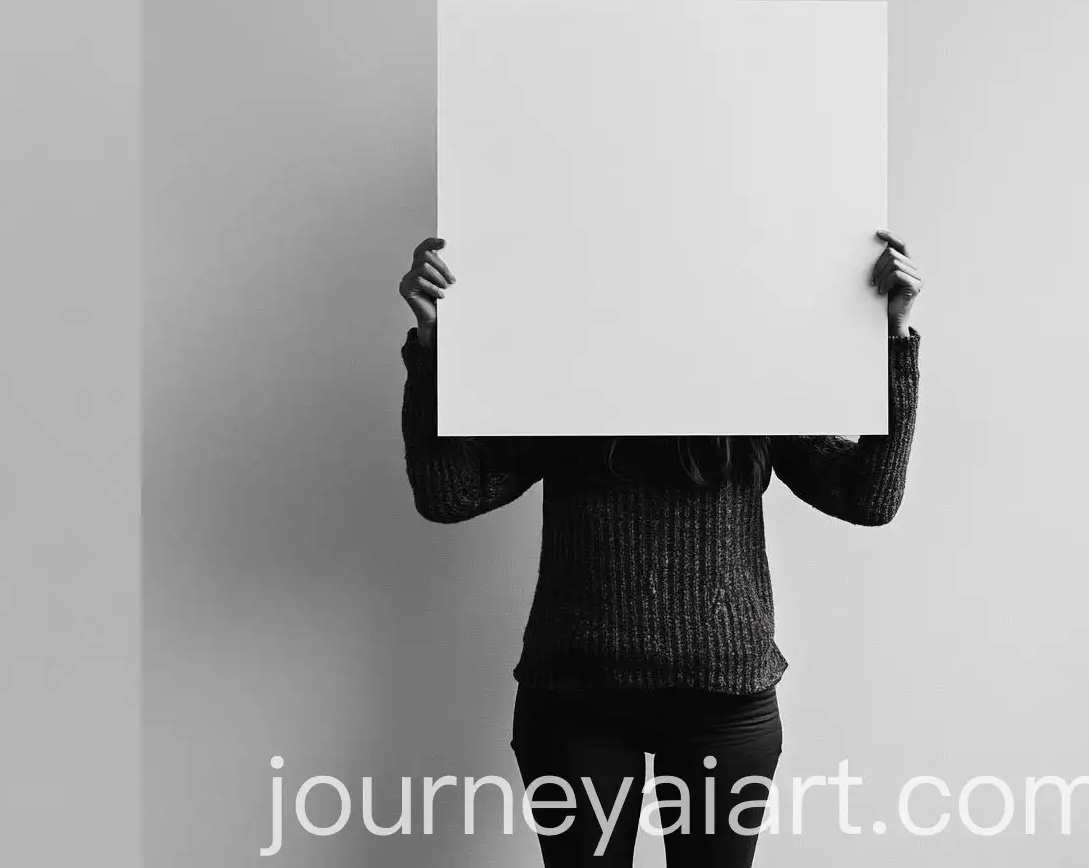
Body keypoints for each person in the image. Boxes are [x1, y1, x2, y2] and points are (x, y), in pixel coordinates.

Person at [395, 229, 922, 866]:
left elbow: (869, 498)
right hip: (574, 702)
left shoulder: (757, 379)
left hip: (724, 703)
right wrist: (432, 343)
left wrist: (893, 340)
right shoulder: (560, 375)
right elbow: (450, 494)